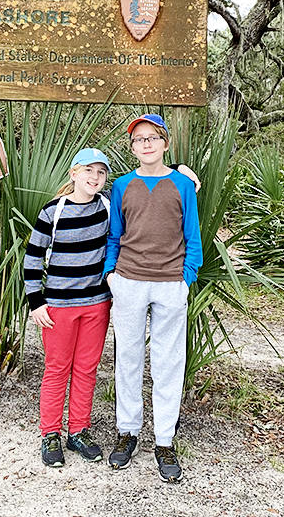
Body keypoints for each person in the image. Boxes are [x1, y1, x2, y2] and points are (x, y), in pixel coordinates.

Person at [102, 113, 202, 484]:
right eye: (138, 139)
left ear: (164, 143)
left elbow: (192, 235)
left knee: (168, 363)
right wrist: (112, 273)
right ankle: (127, 433)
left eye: (152, 137)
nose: (145, 144)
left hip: (170, 284)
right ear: (133, 148)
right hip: (129, 281)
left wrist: (186, 276)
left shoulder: (182, 185)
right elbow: (116, 234)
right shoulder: (123, 185)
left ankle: (164, 440)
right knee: (127, 358)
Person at [23, 148, 113, 468]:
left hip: (97, 304)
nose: (94, 177)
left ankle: (78, 430)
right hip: (58, 306)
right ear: (74, 173)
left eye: (101, 172)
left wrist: (175, 167)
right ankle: (50, 433)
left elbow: (140, 186)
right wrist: (36, 301)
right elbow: (33, 259)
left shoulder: (108, 208)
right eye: (88, 170)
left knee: (86, 369)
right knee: (57, 369)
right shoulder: (53, 212)